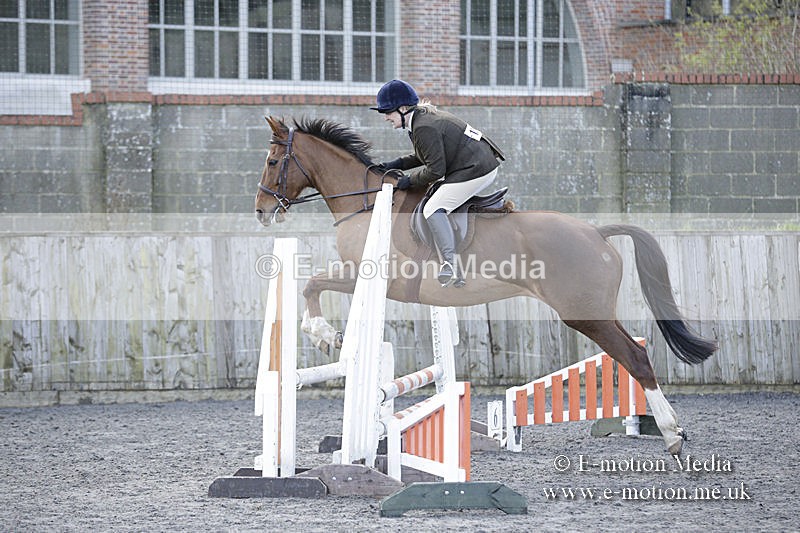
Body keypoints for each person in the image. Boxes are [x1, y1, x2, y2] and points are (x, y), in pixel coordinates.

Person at [372, 79, 505, 287]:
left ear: (403, 109)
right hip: (474, 163)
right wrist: (395, 164)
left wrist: (409, 181)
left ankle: (450, 265)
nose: (385, 117)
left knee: (433, 208)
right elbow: (425, 155)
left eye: (388, 111)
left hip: (477, 169)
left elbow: (435, 170)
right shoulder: (420, 120)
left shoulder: (423, 126)